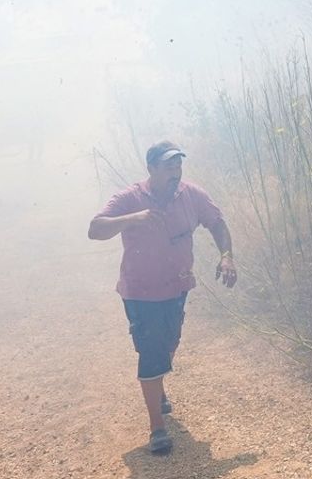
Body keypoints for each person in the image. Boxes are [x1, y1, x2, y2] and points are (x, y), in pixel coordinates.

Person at [87, 140, 237, 455]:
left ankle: (159, 388)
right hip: (140, 291)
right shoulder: (130, 198)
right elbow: (95, 229)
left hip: (177, 286)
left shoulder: (191, 195)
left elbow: (217, 223)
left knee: (169, 342)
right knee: (152, 350)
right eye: (168, 166)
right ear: (151, 168)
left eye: (178, 165)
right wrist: (133, 219)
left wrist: (227, 257)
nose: (175, 172)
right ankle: (157, 427)